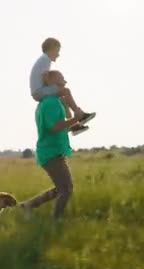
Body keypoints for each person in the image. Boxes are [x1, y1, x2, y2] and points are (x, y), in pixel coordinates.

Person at [20, 70, 82, 219]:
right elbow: (54, 127)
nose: (65, 83)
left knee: (61, 188)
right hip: (50, 153)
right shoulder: (50, 103)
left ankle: (29, 205)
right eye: (61, 81)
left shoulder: (53, 102)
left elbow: (62, 125)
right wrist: (76, 119)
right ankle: (54, 221)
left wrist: (73, 119)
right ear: (52, 83)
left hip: (53, 151)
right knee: (66, 190)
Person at [29, 37, 96, 136]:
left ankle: (74, 126)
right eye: (57, 51)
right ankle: (80, 115)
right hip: (40, 91)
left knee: (63, 100)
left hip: (38, 92)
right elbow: (45, 77)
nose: (58, 54)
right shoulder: (45, 59)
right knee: (66, 91)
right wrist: (58, 86)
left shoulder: (43, 59)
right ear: (51, 49)